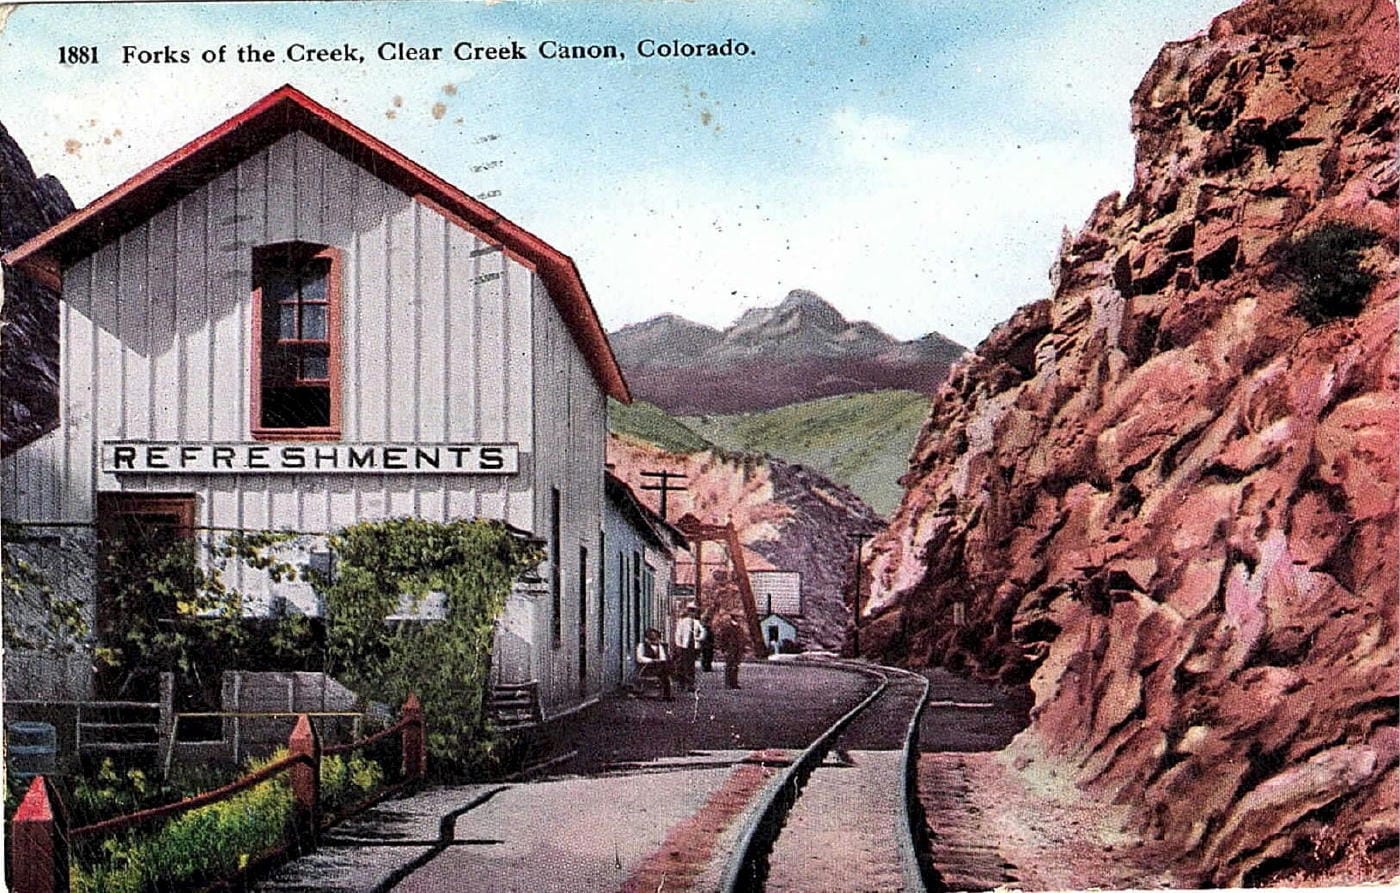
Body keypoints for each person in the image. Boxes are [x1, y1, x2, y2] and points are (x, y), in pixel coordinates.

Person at [673, 604, 705, 692]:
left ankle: (690, 684)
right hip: (684, 646)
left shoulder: (696, 623)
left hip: (693, 646)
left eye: (694, 611)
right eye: (691, 611)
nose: (692, 613)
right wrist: (678, 645)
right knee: (682, 665)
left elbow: (702, 631)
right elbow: (678, 633)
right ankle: (681, 684)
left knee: (691, 665)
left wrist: (698, 638)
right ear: (688, 611)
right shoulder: (682, 621)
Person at [635, 628, 673, 701]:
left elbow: (663, 658)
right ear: (646, 639)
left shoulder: (660, 646)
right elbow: (639, 658)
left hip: (657, 667)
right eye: (651, 639)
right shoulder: (641, 646)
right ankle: (666, 695)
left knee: (664, 669)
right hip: (646, 668)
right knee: (664, 671)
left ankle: (666, 695)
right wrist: (651, 660)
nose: (654, 641)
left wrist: (659, 660)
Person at [717, 615, 745, 689]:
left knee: (735, 666)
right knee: (729, 666)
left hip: (737, 650)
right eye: (738, 618)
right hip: (730, 649)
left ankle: (734, 683)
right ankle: (728, 683)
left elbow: (741, 640)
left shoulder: (739, 628)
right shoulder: (727, 628)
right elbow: (722, 639)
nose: (739, 620)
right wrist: (723, 649)